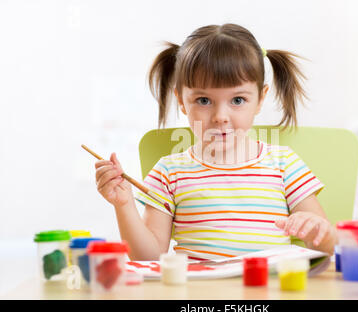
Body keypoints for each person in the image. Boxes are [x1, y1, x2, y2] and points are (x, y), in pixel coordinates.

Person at [94, 23, 337, 261]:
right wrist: (123, 205)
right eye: (203, 100)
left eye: (238, 100)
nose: (221, 117)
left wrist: (318, 232)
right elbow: (148, 258)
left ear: (260, 99)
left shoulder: (284, 164)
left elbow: (328, 246)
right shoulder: (168, 173)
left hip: (268, 290)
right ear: (181, 101)